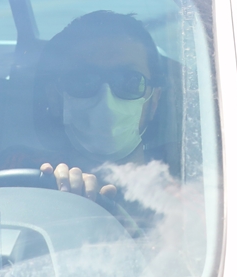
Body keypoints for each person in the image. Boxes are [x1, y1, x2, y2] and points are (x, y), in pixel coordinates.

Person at [28, 10, 166, 201]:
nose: (106, 99)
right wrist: (45, 193)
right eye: (83, 80)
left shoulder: (186, 189)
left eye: (130, 80)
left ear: (154, 101)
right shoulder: (23, 173)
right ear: (55, 98)